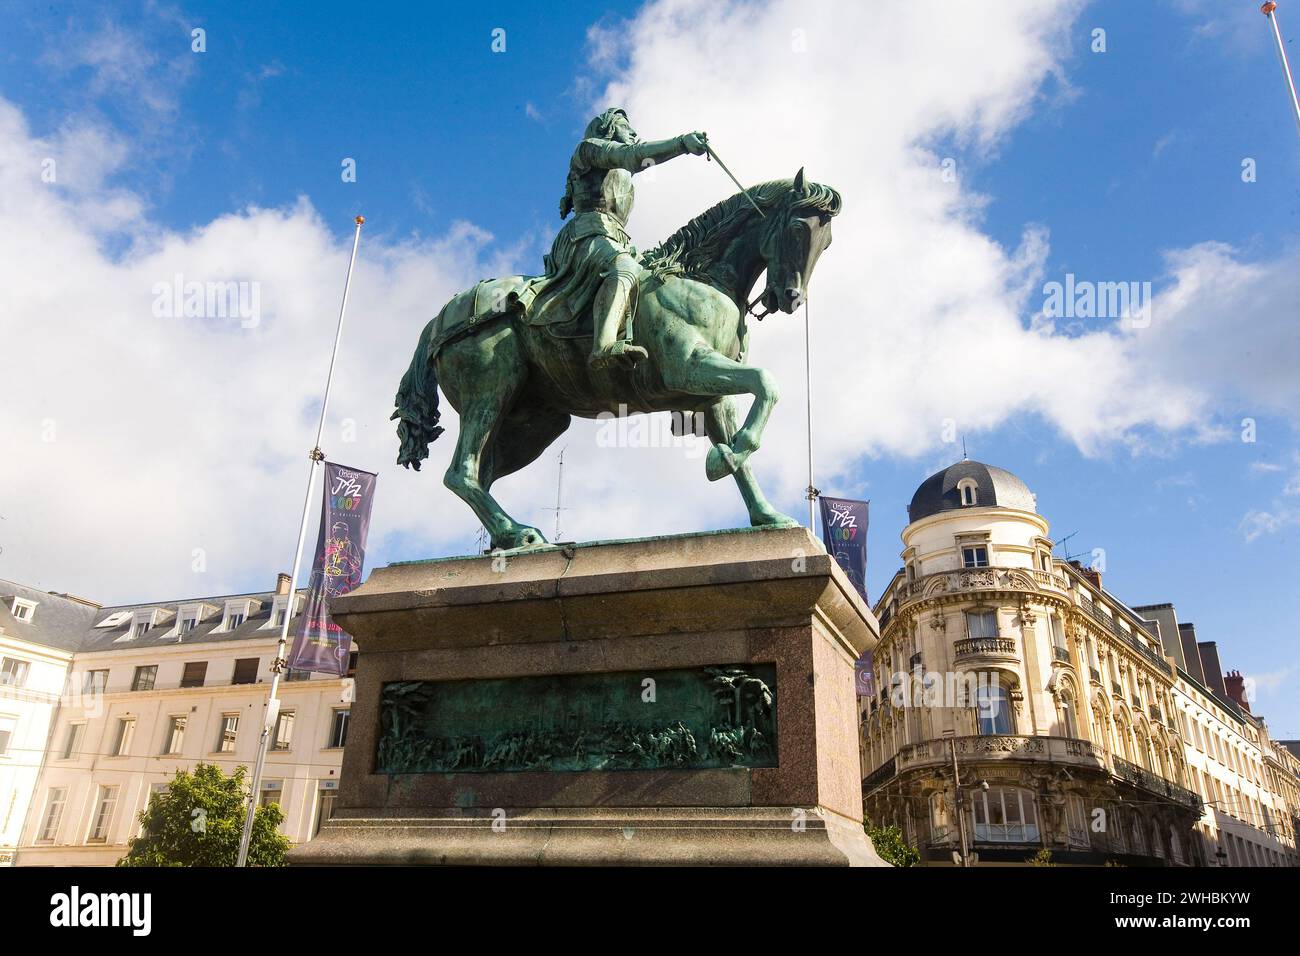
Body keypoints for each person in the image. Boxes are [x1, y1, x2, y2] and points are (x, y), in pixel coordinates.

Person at [546, 108, 709, 369]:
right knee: (625, 267)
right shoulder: (588, 150)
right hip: (585, 237)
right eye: (624, 126)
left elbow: (639, 158)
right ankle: (603, 346)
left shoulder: (623, 173)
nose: (633, 131)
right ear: (607, 130)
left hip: (616, 241)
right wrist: (681, 144)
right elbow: (633, 156)